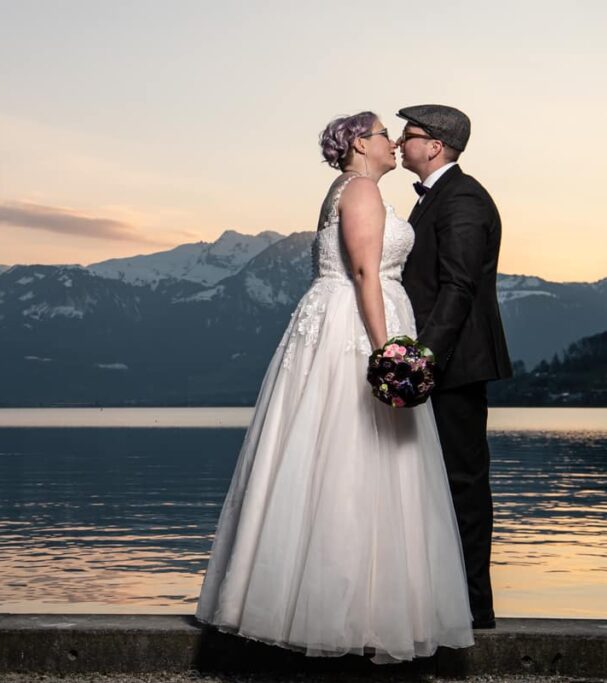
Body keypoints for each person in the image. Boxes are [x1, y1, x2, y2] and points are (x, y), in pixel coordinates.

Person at [195, 111, 473, 664]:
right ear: (359, 145)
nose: (393, 143)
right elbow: (367, 273)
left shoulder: (345, 188)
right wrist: (388, 351)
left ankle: (333, 604)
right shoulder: (363, 190)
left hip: (338, 318)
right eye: (382, 135)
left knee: (338, 460)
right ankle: (359, 610)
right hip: (357, 323)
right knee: (358, 459)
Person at [396, 104, 513, 630]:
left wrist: (422, 360)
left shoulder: (462, 199)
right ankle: (445, 601)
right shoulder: (436, 200)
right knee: (440, 482)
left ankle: (473, 608)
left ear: (435, 146)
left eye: (410, 135)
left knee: (463, 482)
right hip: (442, 364)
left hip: (455, 365)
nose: (400, 142)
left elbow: (458, 288)